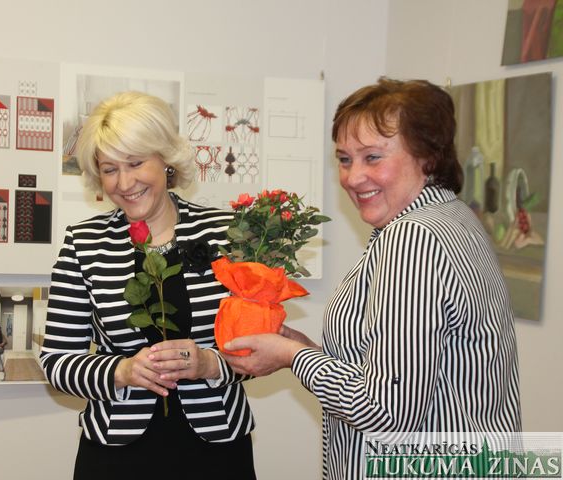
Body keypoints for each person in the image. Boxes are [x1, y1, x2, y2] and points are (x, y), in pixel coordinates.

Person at [223, 78, 522, 479]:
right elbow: (401, 372)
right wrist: (307, 349)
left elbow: (386, 412)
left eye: (373, 157)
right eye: (345, 159)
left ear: (427, 156)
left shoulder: (413, 238)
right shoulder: (454, 217)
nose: (352, 176)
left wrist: (293, 356)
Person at [40, 91, 256, 479]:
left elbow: (257, 348)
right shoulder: (83, 244)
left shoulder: (225, 233)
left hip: (217, 450)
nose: (125, 182)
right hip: (116, 454)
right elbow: (57, 362)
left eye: (136, 163)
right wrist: (121, 371)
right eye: (109, 169)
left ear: (166, 161)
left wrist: (210, 364)